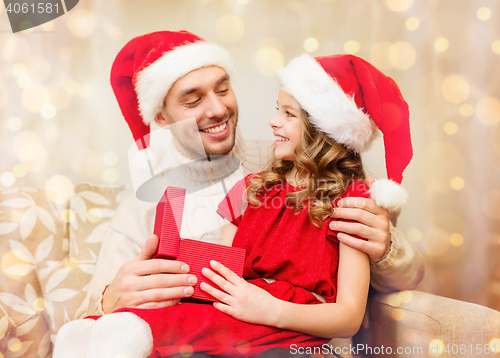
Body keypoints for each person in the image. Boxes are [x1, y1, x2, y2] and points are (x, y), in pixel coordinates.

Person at [54, 31, 424, 357]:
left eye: (222, 88)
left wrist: (386, 249)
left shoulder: (301, 166)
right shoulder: (143, 208)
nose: (218, 108)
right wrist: (111, 298)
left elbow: (402, 280)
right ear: (162, 117)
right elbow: (93, 317)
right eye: (193, 99)